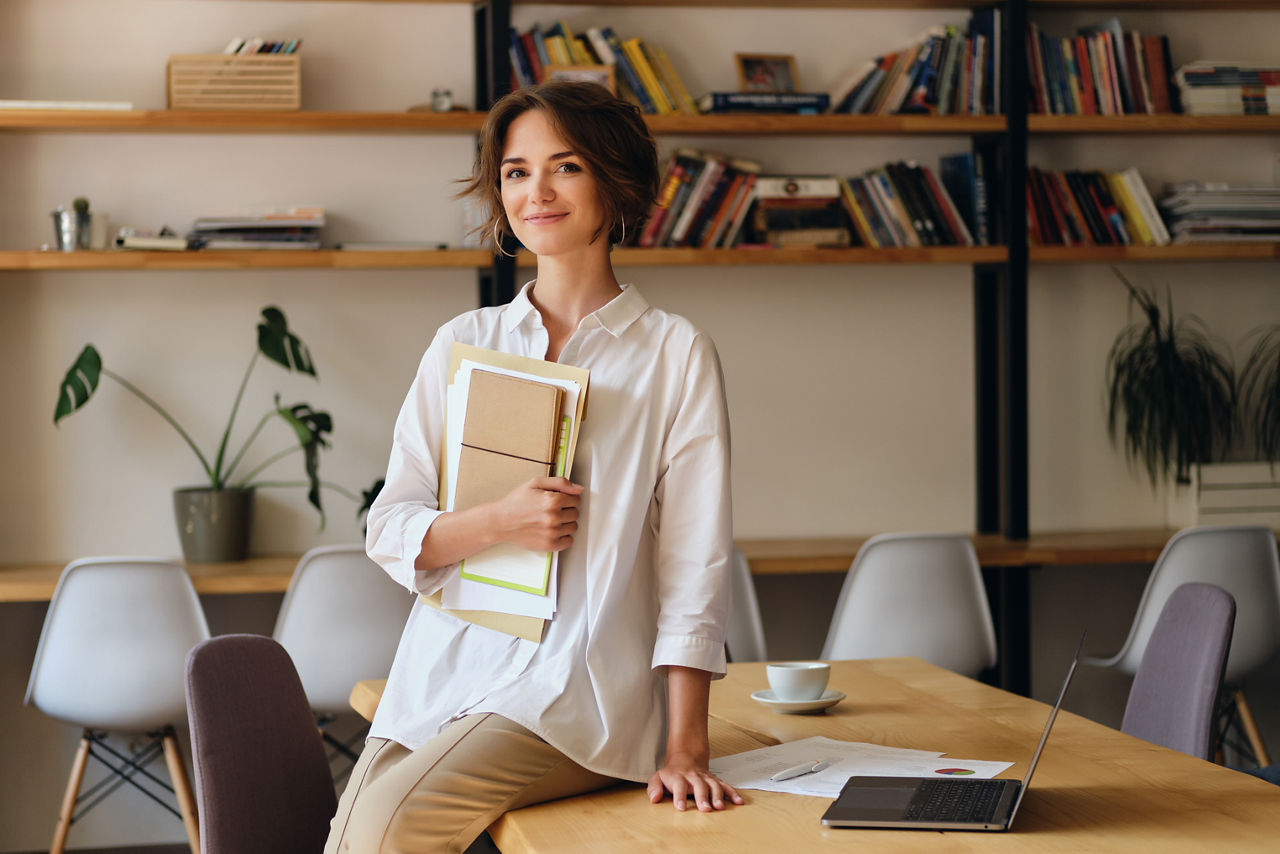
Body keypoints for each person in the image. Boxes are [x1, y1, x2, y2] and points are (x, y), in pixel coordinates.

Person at [325, 80, 742, 854]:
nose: (536, 191)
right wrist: (499, 522)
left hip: (575, 690)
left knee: (387, 829)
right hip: (445, 672)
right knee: (351, 830)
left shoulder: (674, 353)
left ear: (615, 183)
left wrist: (686, 744)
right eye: (516, 172)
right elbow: (389, 525)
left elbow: (696, 564)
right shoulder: (464, 342)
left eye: (566, 166)